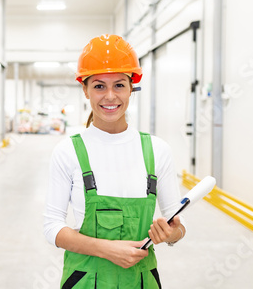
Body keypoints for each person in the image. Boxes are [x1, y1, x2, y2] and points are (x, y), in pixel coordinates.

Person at [43, 34, 186, 288]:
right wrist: (106, 249)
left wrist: (170, 233)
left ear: (132, 87)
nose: (110, 96)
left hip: (140, 281)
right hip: (85, 280)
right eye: (99, 86)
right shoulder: (68, 152)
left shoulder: (157, 150)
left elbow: (178, 227)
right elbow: (52, 227)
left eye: (119, 85)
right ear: (85, 89)